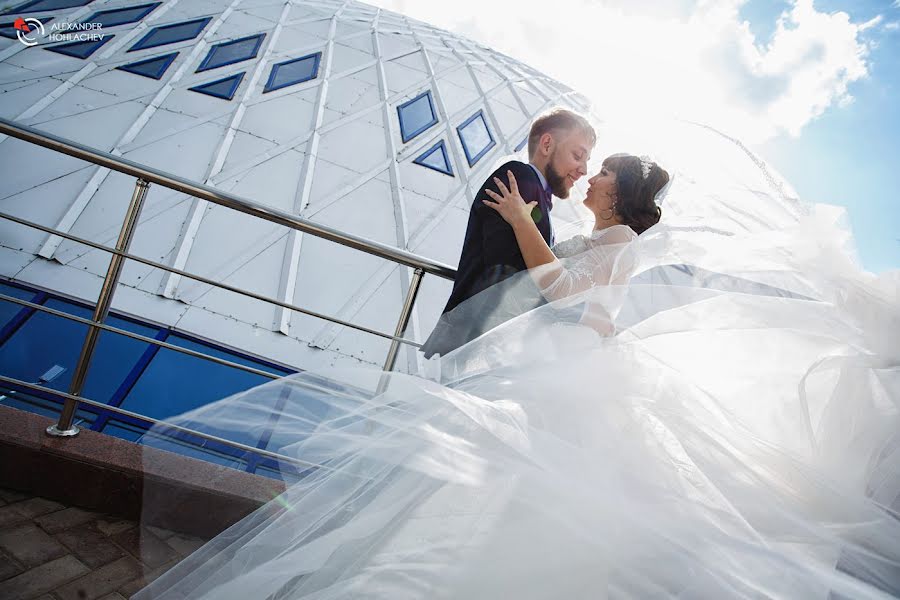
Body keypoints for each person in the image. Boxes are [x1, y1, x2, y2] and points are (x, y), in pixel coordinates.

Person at [134, 122, 900, 599]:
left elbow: (562, 284)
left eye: (603, 171)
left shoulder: (623, 240)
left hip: (577, 369)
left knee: (529, 482)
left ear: (620, 191)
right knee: (502, 480)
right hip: (555, 360)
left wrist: (516, 220)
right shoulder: (598, 231)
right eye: (589, 163)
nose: (591, 174)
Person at [419, 108, 596, 358]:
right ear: (547, 144)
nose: (584, 169)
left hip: (486, 334)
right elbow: (506, 266)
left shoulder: (538, 196)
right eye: (578, 155)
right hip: (477, 334)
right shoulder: (519, 178)